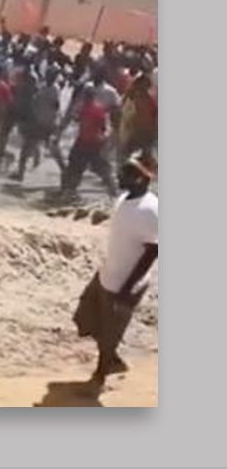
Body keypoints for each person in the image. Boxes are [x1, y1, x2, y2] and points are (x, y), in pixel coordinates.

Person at [73, 153, 158, 386]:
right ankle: (113, 358)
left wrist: (126, 290)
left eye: (128, 172)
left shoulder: (151, 211)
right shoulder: (124, 199)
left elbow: (153, 252)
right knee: (84, 318)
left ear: (142, 178)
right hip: (107, 275)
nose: (121, 175)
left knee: (110, 333)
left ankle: (99, 376)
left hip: (125, 283)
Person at [61, 84, 118, 197]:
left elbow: (76, 118)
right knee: (101, 168)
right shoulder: (99, 109)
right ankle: (113, 191)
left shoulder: (84, 109)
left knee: (75, 166)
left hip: (85, 142)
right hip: (95, 142)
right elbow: (103, 127)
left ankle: (69, 190)